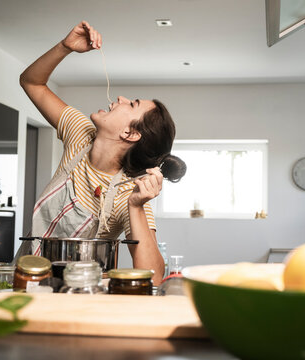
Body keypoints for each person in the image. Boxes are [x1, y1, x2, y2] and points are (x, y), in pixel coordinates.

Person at [19, 21, 186, 285]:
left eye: (131, 104)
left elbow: (152, 277)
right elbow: (31, 82)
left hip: (79, 294)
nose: (119, 98)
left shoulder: (127, 194)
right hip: (26, 276)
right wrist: (65, 47)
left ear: (130, 134)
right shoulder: (79, 133)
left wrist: (136, 206)